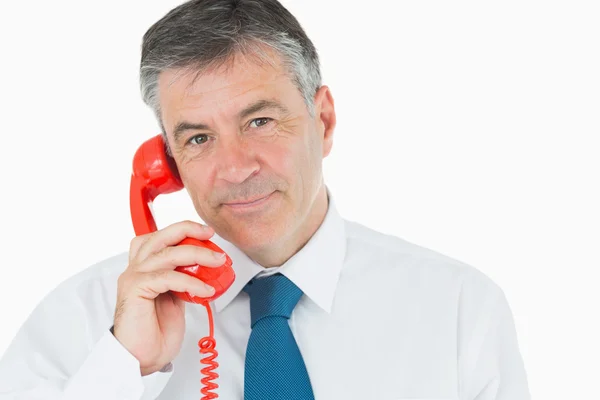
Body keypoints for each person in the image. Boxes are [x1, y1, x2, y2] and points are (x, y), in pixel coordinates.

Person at [0, 0, 531, 399]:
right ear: (168, 162)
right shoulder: (84, 318)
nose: (236, 167)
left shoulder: (460, 308)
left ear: (322, 122)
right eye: (199, 138)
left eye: (260, 121)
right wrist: (121, 365)